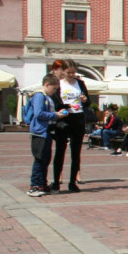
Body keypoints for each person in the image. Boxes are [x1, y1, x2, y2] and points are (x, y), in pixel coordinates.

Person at [50, 59, 90, 193]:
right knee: (60, 150)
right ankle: (56, 182)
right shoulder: (59, 84)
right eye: (69, 73)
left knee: (76, 152)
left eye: (73, 72)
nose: (72, 75)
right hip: (64, 118)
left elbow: (88, 102)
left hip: (78, 118)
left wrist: (84, 100)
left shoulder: (80, 83)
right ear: (63, 71)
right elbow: (56, 104)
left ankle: (72, 182)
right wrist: (68, 105)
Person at [25, 74, 69, 196]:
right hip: (40, 132)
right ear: (47, 84)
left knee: (45, 159)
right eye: (54, 88)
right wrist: (56, 115)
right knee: (39, 159)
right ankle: (34, 186)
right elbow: (39, 113)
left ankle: (42, 184)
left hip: (47, 131)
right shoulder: (39, 96)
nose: (54, 91)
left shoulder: (46, 97)